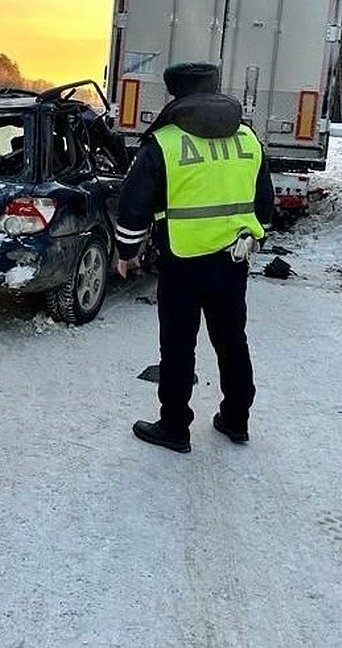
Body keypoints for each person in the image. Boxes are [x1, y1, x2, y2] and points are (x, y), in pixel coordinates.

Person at [114, 62, 274, 452]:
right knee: (232, 340)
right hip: (234, 260)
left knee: (178, 344)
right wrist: (254, 239)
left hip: (183, 260)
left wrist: (127, 253)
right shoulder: (248, 139)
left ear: (175, 96)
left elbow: (133, 207)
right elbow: (265, 206)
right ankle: (236, 420)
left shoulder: (165, 143)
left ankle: (174, 428)